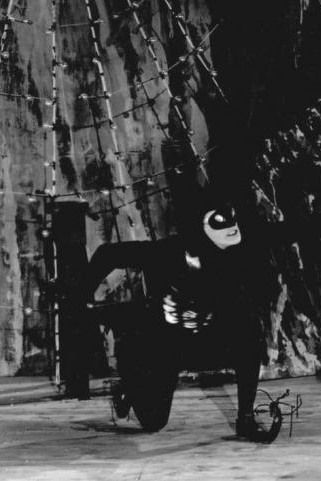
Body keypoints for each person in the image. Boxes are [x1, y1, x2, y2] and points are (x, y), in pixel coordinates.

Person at [79, 189, 273, 443]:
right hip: (164, 347)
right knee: (154, 422)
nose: (230, 227)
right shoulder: (168, 252)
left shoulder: (237, 252)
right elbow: (108, 254)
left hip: (205, 339)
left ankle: (245, 418)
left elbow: (281, 234)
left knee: (249, 332)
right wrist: (81, 294)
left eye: (231, 217)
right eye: (220, 220)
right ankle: (131, 384)